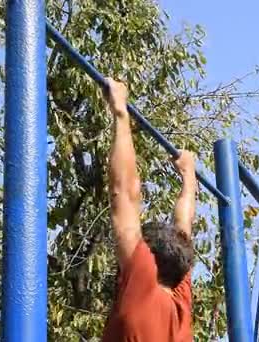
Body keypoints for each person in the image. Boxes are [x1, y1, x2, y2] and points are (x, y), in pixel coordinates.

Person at [101, 78, 197, 342]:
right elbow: (183, 229)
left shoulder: (143, 285)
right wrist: (189, 179)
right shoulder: (180, 308)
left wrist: (121, 112)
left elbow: (126, 195)